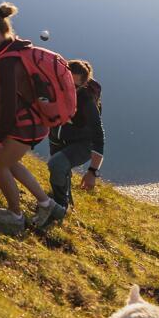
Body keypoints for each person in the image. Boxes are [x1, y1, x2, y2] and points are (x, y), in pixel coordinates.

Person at [0, 2, 65, 229]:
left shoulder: (7, 61)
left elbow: (8, 102)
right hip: (35, 122)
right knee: (10, 162)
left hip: (22, 125)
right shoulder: (16, 47)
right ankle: (48, 205)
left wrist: (0, 134)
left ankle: (15, 217)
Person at [47, 59, 106, 220]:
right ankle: (66, 206)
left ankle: (59, 208)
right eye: (66, 82)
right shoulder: (53, 86)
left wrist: (93, 172)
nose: (69, 89)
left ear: (83, 85)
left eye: (75, 86)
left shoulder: (86, 101)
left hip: (83, 144)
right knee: (60, 171)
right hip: (57, 138)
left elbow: (98, 136)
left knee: (56, 165)